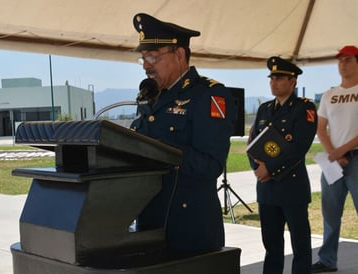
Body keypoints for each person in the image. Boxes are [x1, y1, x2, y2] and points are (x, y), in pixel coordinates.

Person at [130, 13, 237, 256]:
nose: (146, 65)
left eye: (153, 57)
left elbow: (211, 165)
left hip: (190, 229)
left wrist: (162, 150)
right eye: (143, 58)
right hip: (150, 225)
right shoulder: (149, 97)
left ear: (179, 54)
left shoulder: (209, 96)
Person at [248, 56, 317, 274]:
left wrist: (269, 169)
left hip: (291, 187)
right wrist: (257, 169)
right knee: (272, 245)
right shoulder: (265, 109)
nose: (273, 82)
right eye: (272, 78)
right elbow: (253, 143)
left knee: (300, 245)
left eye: (279, 78)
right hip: (267, 189)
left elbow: (298, 147)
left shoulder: (304, 108)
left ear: (293, 81)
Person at [311, 45, 358, 273]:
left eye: (348, 60)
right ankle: (327, 260)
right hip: (332, 161)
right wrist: (334, 153)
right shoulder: (330, 94)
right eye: (340, 60)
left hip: (355, 159)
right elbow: (321, 128)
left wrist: (342, 151)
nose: (343, 64)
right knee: (330, 212)